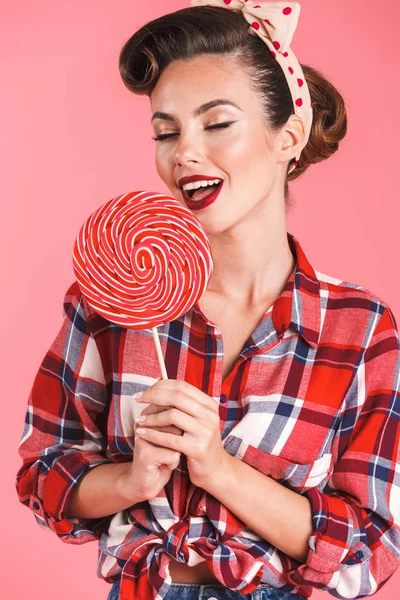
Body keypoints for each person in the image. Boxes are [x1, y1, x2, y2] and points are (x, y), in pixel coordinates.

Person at [15, 2, 400, 600]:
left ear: (288, 137)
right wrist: (134, 479)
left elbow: (368, 555)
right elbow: (42, 472)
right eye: (166, 132)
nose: (183, 153)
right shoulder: (116, 300)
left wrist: (217, 467)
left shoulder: (357, 329)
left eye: (216, 124)